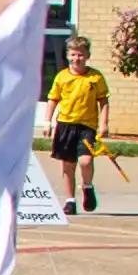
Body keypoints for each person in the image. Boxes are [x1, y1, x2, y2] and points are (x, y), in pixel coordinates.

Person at [47, 29, 109, 212]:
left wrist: (104, 123)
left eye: (81, 55)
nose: (77, 58)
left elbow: (104, 101)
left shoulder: (95, 77)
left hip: (86, 126)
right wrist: (48, 121)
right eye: (73, 54)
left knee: (85, 161)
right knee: (68, 164)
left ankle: (88, 187)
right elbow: (53, 99)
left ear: (87, 56)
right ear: (67, 56)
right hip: (65, 124)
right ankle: (70, 200)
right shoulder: (62, 77)